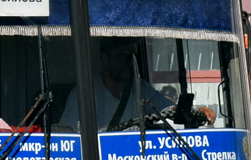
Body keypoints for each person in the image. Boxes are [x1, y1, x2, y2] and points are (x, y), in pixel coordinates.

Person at [61, 36, 213, 131]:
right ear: (105, 59)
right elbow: (69, 135)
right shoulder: (85, 94)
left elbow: (168, 110)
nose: (129, 63)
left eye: (132, 57)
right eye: (122, 56)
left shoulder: (139, 87)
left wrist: (195, 113)